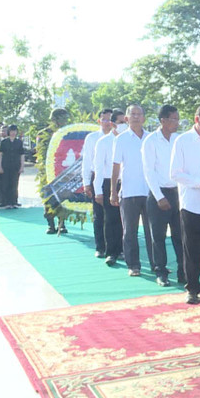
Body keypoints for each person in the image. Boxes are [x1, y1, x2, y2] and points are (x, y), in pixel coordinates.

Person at [171, 104, 200, 304]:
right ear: (197, 120)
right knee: (192, 250)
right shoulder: (183, 141)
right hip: (192, 205)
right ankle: (192, 288)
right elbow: (175, 173)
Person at [142, 105, 185, 287]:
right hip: (158, 193)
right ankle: (161, 271)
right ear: (163, 121)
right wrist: (159, 196)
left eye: (178, 119)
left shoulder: (179, 140)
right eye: (173, 119)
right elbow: (148, 171)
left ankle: (184, 272)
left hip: (178, 193)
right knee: (158, 236)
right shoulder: (151, 141)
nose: (177, 122)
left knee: (180, 235)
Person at [111, 104, 153, 277]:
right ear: (126, 118)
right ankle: (133, 265)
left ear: (144, 118)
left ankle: (157, 264)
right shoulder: (120, 139)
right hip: (129, 192)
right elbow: (115, 166)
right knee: (130, 231)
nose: (136, 117)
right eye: (132, 114)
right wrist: (113, 191)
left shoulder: (151, 138)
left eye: (139, 114)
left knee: (153, 232)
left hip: (151, 192)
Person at [95, 110, 126, 265]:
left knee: (124, 219)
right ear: (113, 124)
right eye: (121, 122)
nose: (124, 124)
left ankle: (122, 250)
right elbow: (98, 168)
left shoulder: (128, 139)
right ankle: (111, 252)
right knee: (110, 218)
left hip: (126, 182)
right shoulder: (104, 142)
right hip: (108, 182)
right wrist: (98, 190)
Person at [82, 109, 113, 257]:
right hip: (98, 178)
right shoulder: (92, 138)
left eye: (110, 119)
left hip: (115, 179)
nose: (107, 123)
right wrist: (87, 182)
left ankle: (115, 247)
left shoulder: (118, 137)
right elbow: (87, 161)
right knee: (99, 214)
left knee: (115, 216)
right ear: (99, 121)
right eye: (104, 119)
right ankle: (100, 247)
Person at [37, 108, 70, 233]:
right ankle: (51, 224)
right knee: (49, 198)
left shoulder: (67, 132)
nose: (65, 121)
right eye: (63, 118)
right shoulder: (44, 134)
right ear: (55, 119)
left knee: (63, 197)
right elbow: (41, 154)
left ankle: (62, 223)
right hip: (48, 171)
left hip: (63, 170)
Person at [0, 125, 25, 208]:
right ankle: (6, 202)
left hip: (15, 166)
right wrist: (0, 167)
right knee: (5, 184)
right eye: (11, 131)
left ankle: (14, 201)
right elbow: (0, 155)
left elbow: (22, 155)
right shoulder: (4, 142)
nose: (13, 133)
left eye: (15, 131)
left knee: (14, 184)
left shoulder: (19, 142)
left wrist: (22, 167)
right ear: (9, 132)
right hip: (6, 166)